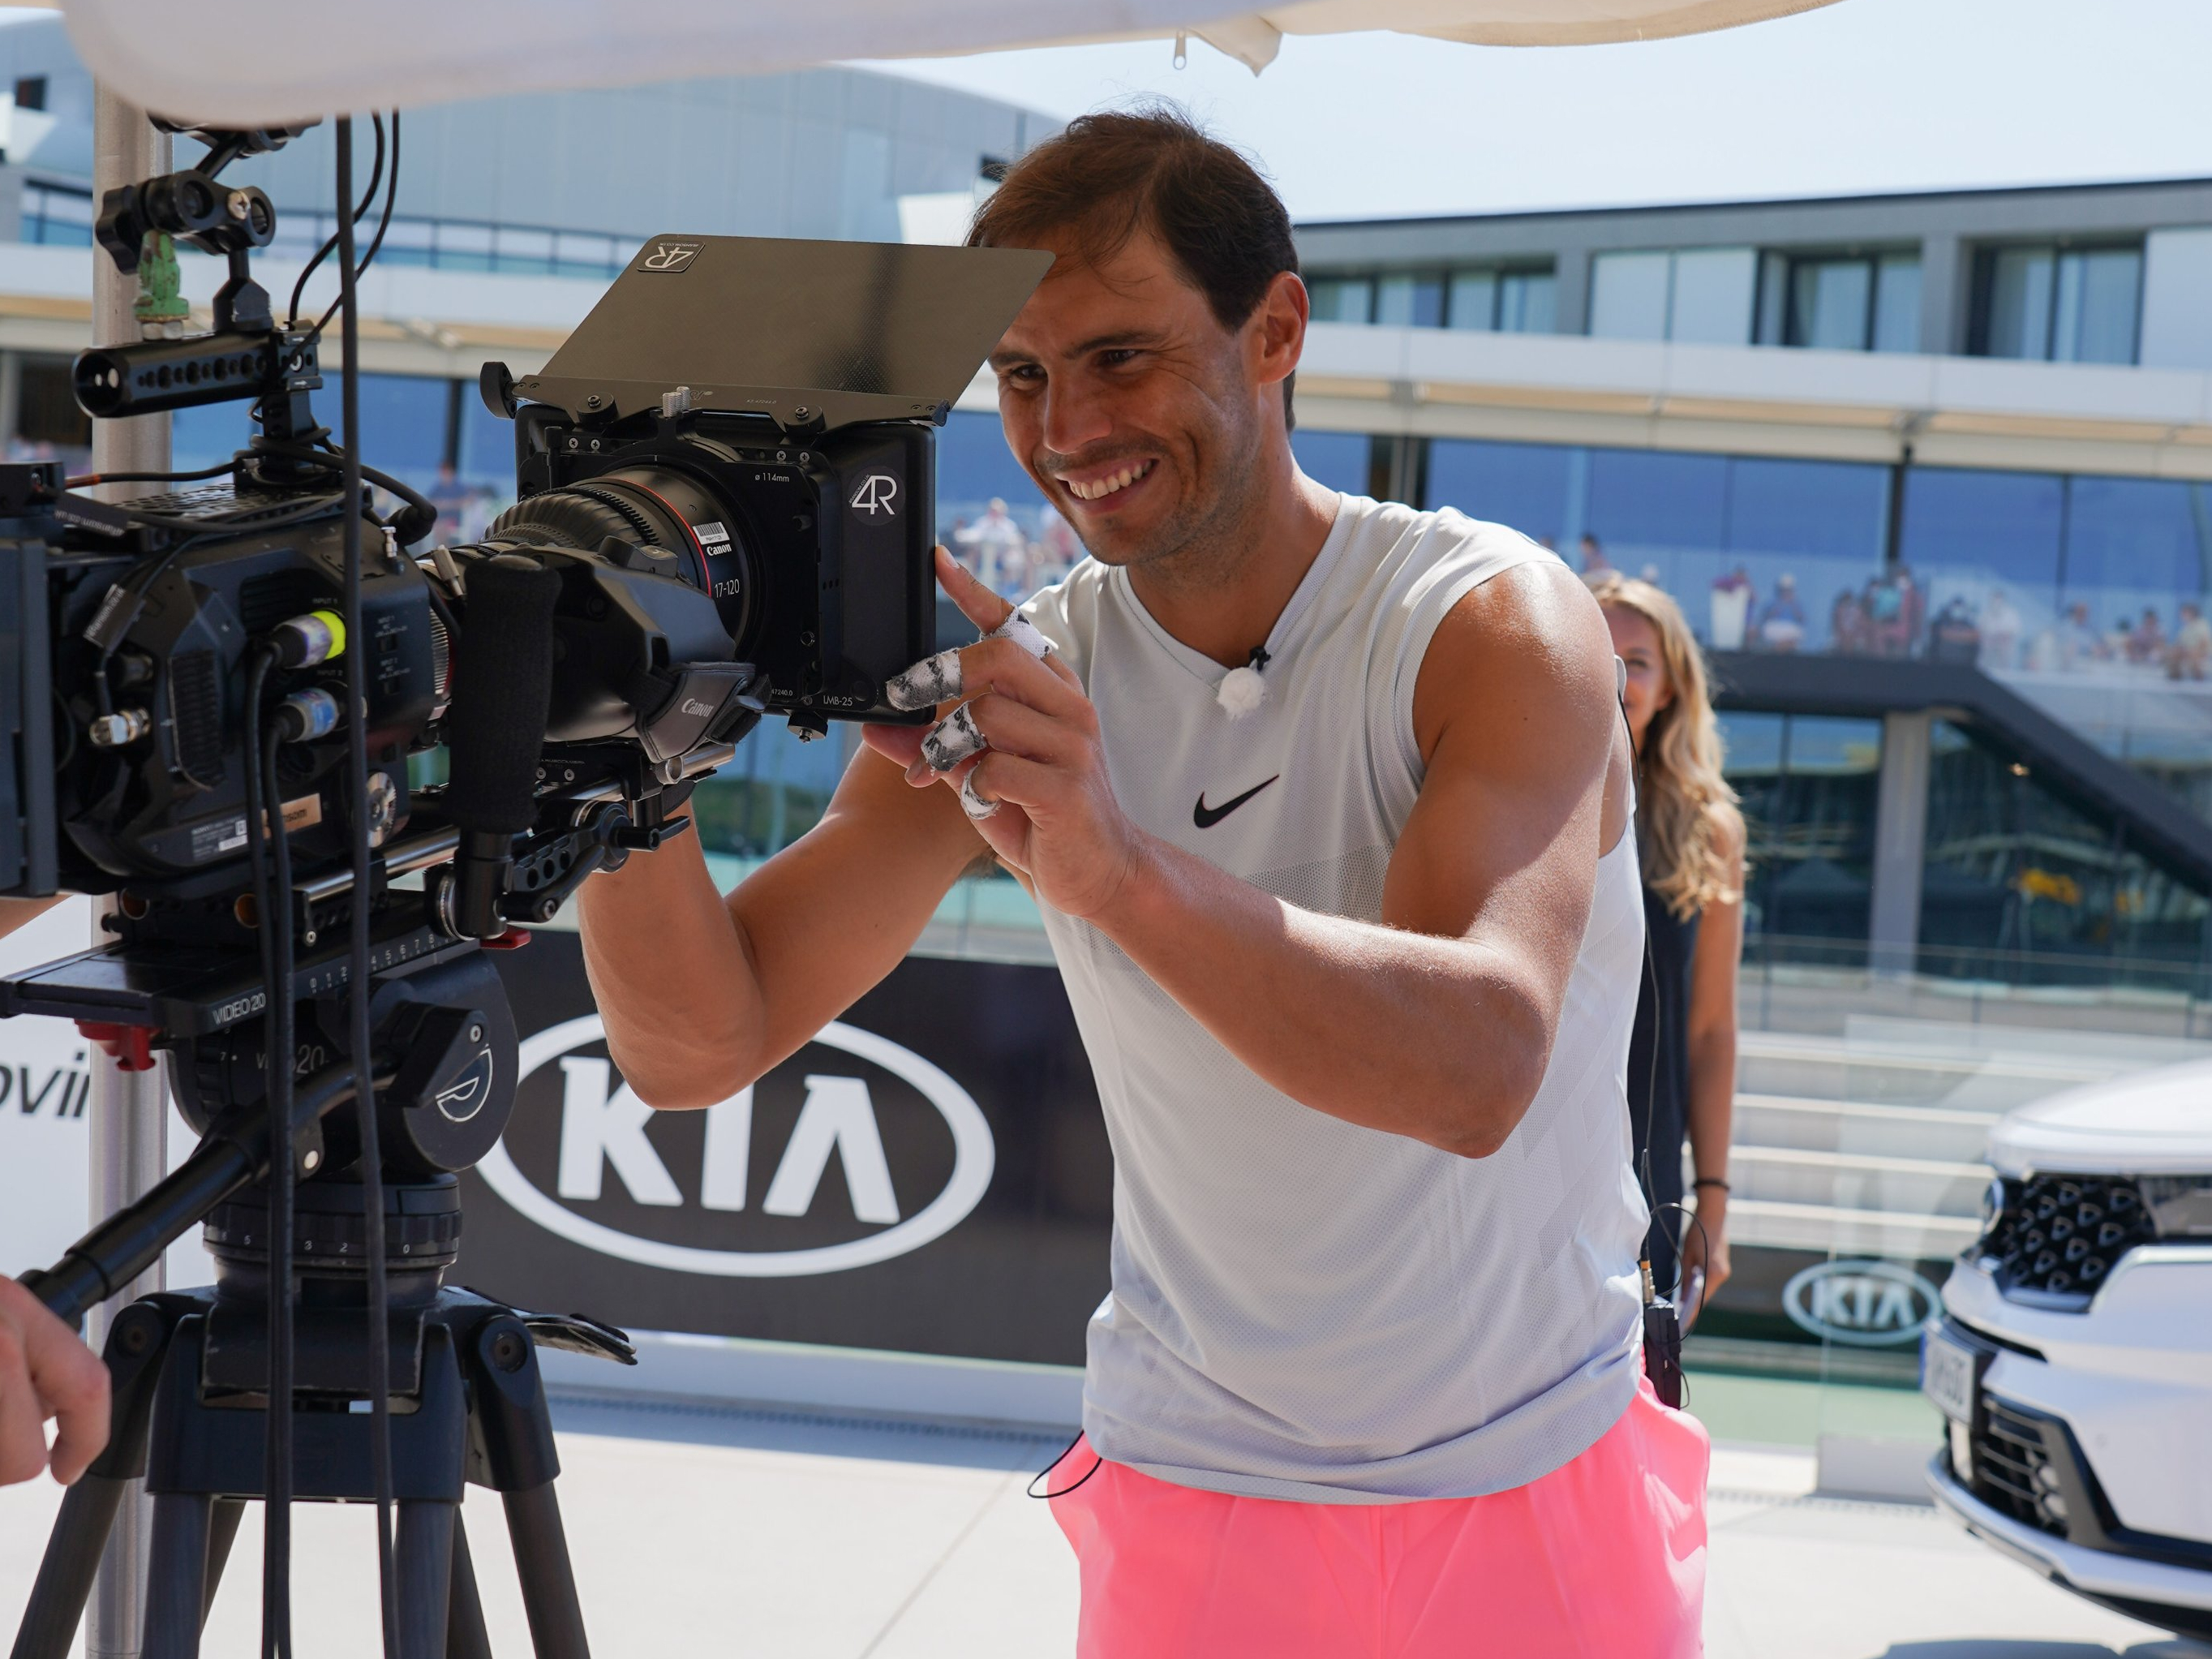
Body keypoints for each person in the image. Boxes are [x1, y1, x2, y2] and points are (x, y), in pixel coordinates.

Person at [578, 109, 1703, 1653]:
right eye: (1019, 375)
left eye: (1119, 356)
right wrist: (623, 752)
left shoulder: (1491, 619)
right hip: (1195, 1477)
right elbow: (699, 1045)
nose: (1064, 428)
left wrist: (1119, 873)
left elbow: (1475, 1069)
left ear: (1275, 331)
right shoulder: (1030, 667)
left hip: (1531, 1463)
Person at [1587, 574, 1744, 1324]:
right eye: (1599, 653)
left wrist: (1711, 1201)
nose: (1618, 676)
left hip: (1648, 1163)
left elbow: (1709, 1030)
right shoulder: (1520, 793)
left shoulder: (1709, 829)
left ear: (1671, 686)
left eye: (1639, 661)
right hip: (1523, 1150)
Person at [1753, 573, 1805, 652]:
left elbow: (1802, 619)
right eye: (1784, 590)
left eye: (1788, 590)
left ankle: (1782, 647)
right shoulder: (1772, 603)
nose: (1786, 592)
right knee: (1767, 630)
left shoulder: (1796, 604)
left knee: (1799, 633)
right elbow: (1766, 618)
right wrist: (1779, 607)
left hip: (1790, 628)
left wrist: (1793, 605)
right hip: (1775, 627)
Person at [2171, 602, 2212, 681]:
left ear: (2191, 613)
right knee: (2174, 653)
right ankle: (2175, 676)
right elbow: (2179, 644)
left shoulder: (2201, 624)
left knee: (2194, 654)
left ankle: (2199, 678)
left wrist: (2191, 652)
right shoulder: (2185, 628)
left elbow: (2204, 643)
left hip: (2202, 653)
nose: (2182, 616)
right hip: (2188, 652)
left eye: (2184, 613)